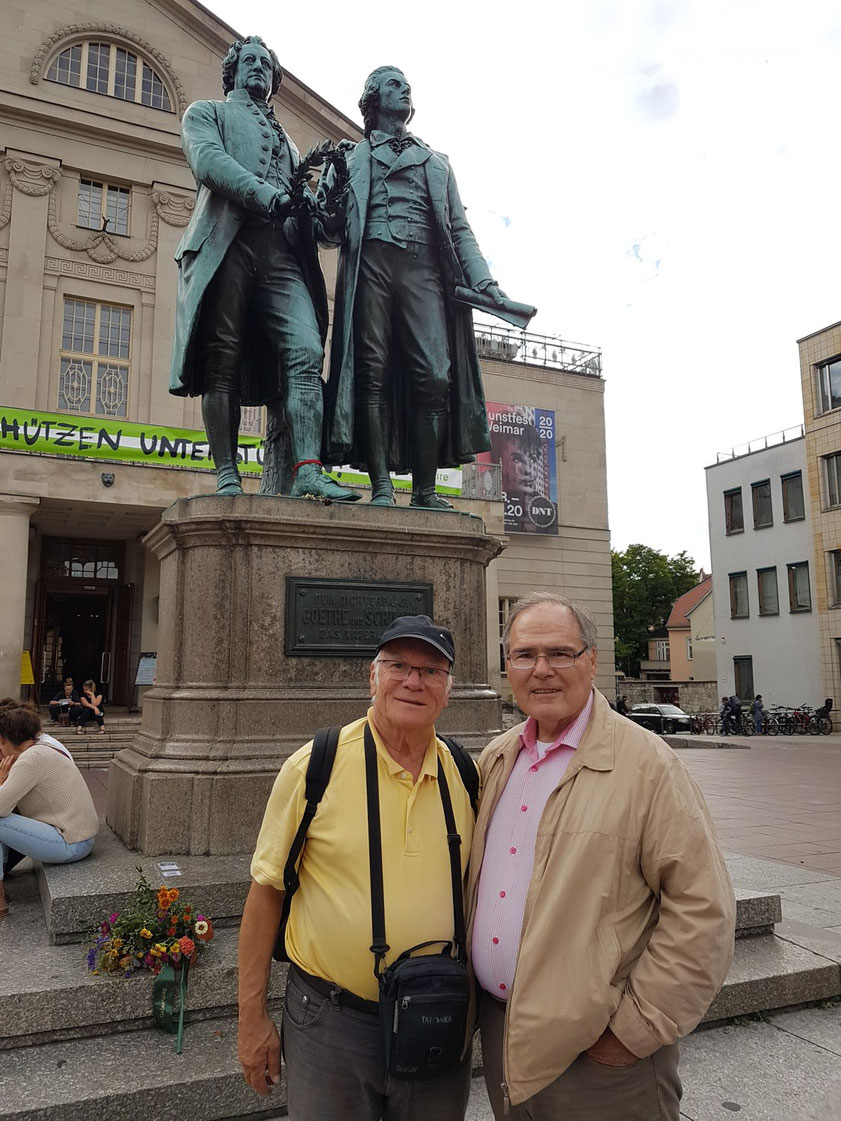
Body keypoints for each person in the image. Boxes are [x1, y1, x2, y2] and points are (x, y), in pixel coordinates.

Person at [468, 592, 735, 1119]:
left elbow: (704, 910)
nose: (541, 670)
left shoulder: (646, 764)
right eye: (524, 655)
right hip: (505, 1036)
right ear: (507, 666)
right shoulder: (498, 758)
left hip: (601, 1058)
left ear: (591, 661)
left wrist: (632, 1031)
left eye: (559, 653)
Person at [237, 614, 477, 1120]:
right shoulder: (315, 766)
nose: (413, 680)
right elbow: (266, 894)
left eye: (432, 670)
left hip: (437, 1013)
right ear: (373, 677)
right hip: (333, 1021)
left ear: (447, 690)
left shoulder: (465, 773)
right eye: (398, 666)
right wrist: (250, 1015)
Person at [169, 35, 359, 503]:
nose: (257, 68)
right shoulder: (205, 113)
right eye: (248, 61)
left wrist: (325, 210)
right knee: (223, 359)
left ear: (274, 82)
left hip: (282, 255)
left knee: (306, 350)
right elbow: (210, 164)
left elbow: (307, 214)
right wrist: (269, 195)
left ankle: (309, 469)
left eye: (265, 65)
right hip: (226, 244)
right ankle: (227, 474)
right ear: (232, 71)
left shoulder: (292, 145)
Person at [318, 66, 508, 509]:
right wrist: (326, 196)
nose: (404, 89)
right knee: (371, 374)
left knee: (435, 376)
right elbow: (326, 232)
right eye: (393, 83)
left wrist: (485, 281)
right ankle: (382, 487)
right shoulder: (350, 159)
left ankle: (425, 490)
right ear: (371, 99)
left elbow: (460, 230)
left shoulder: (436, 162)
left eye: (406, 85)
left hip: (424, 271)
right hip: (371, 269)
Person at [0, 700, 98, 917]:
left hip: (70, 842)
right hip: (79, 838)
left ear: (3, 739)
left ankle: (0, 899)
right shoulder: (42, 750)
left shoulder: (31, 759)